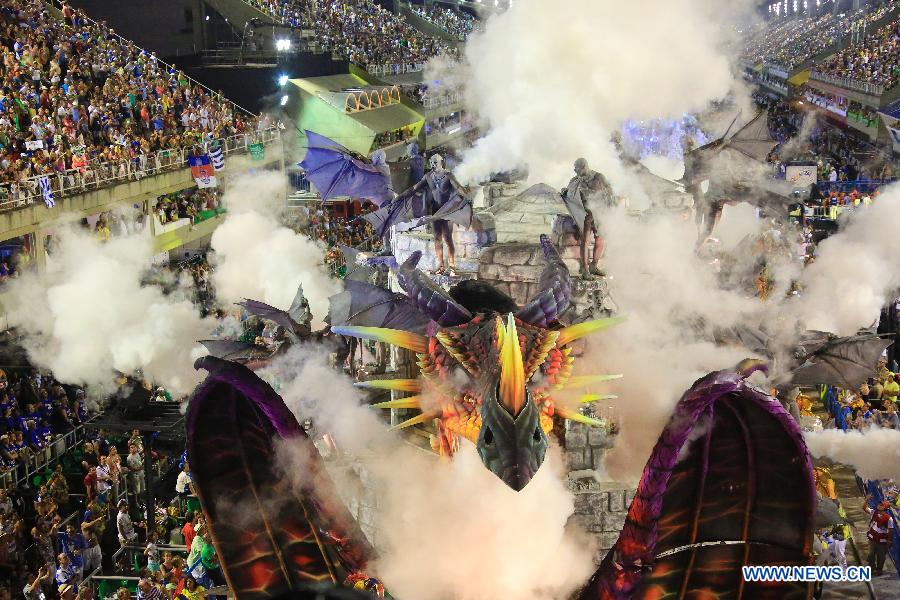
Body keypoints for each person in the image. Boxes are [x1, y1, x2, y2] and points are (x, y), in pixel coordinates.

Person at [560, 158, 617, 278]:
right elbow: (569, 194)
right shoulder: (575, 181)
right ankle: (585, 269)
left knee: (600, 239)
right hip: (585, 214)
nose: (575, 170)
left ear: (584, 166)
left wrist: (609, 206)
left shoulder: (598, 177)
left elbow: (609, 191)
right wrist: (566, 192)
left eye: (577, 168)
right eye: (575, 168)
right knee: (585, 241)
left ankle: (593, 265)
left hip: (599, 212)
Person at [866, 500, 894, 575]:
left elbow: (890, 530)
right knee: (871, 554)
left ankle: (879, 569)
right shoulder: (874, 512)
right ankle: (871, 567)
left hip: (882, 541)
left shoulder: (889, 518)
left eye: (881, 505)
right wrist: (866, 500)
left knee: (881, 557)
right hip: (872, 538)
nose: (879, 505)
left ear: (884, 508)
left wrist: (889, 541)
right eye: (879, 504)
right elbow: (864, 508)